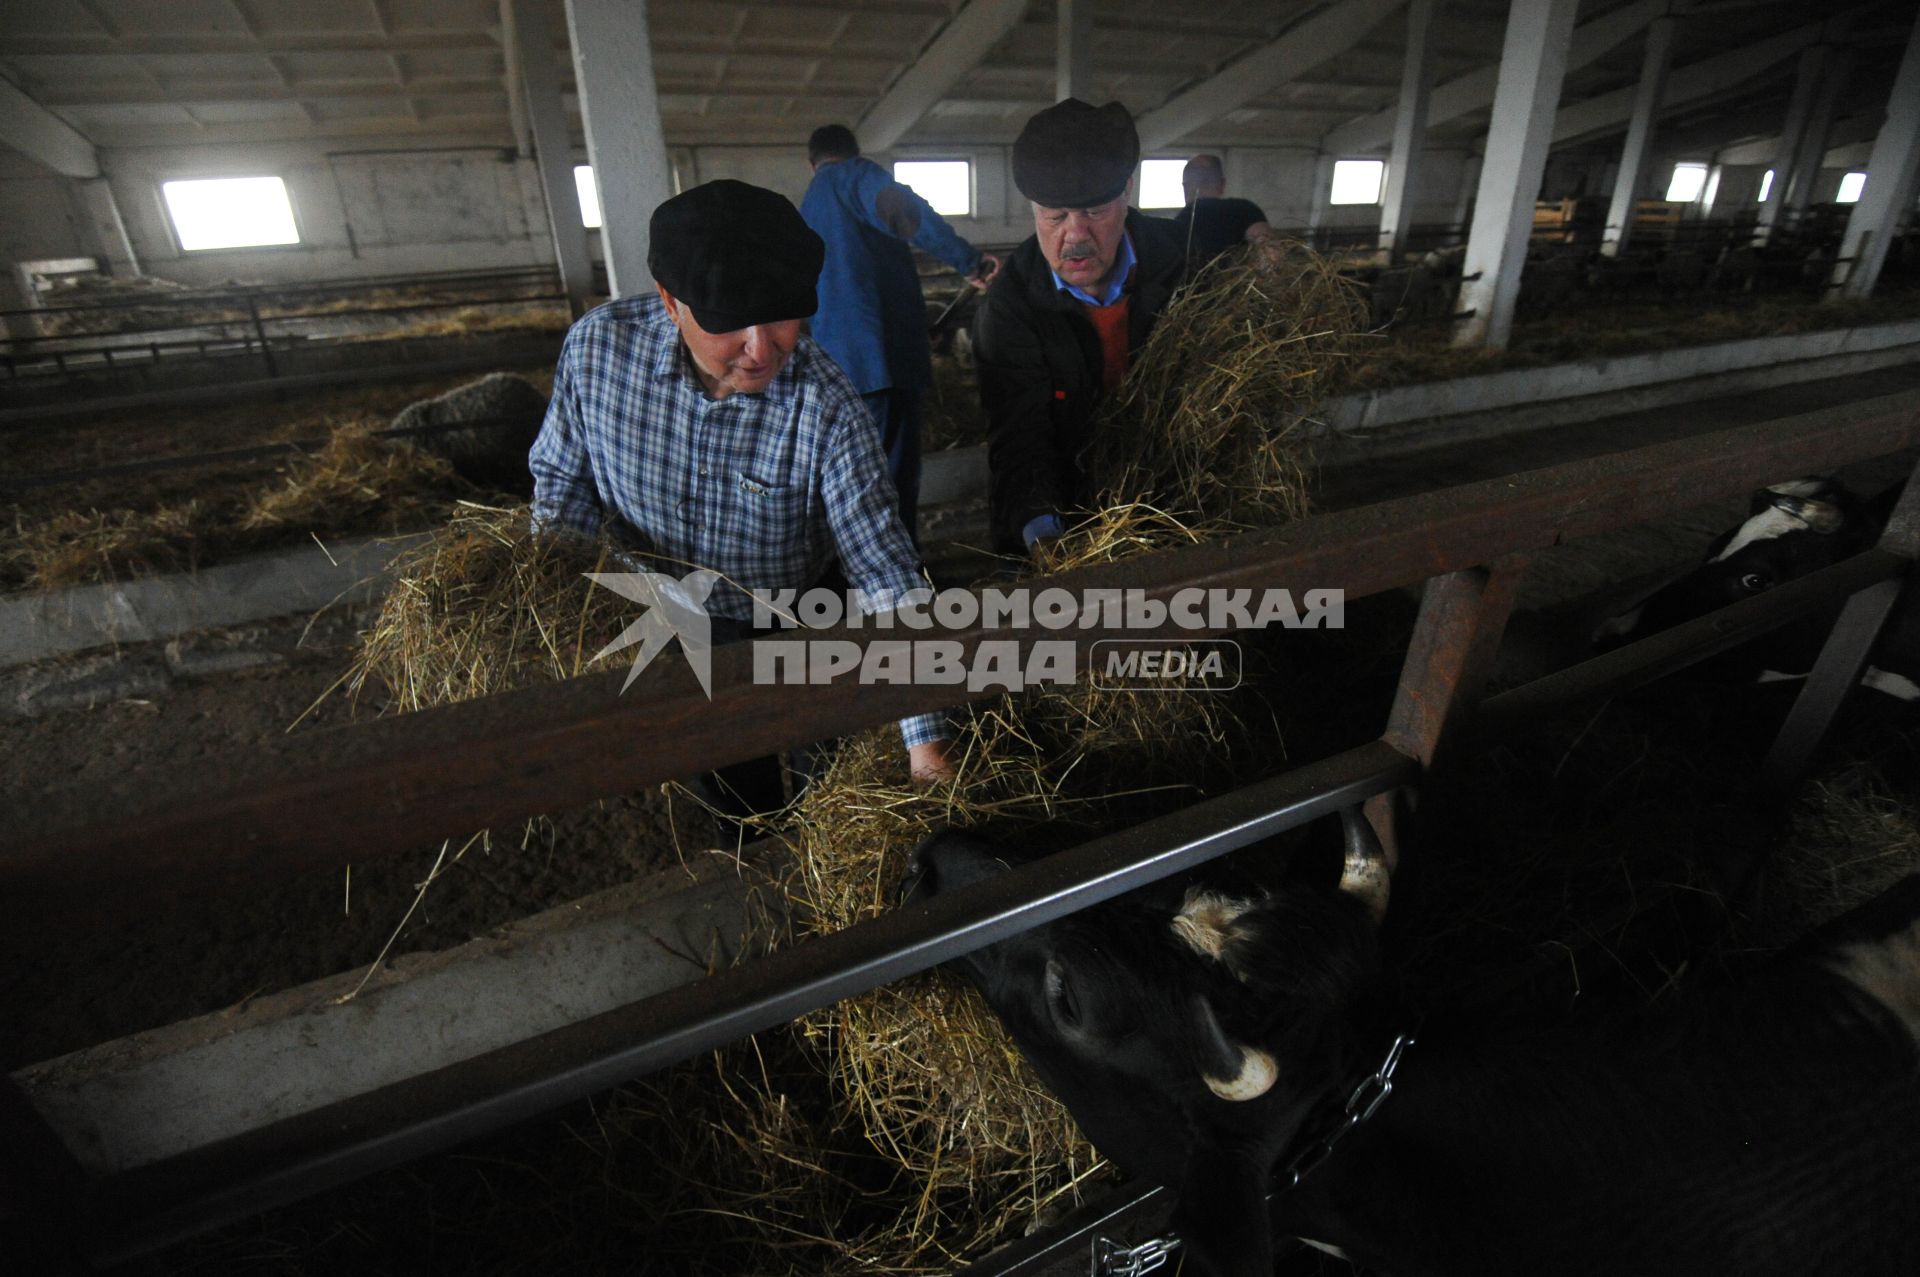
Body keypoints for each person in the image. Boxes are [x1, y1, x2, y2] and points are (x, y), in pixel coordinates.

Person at [529, 179, 953, 812]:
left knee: (829, 782)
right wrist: (571, 606)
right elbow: (563, 486)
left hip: (806, 618)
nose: (762, 349)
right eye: (731, 323)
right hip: (674, 620)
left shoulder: (826, 407)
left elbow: (883, 570)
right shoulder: (597, 355)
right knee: (729, 786)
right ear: (671, 302)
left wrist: (926, 742)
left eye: (782, 315)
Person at [973, 99, 1188, 556]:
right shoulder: (1010, 308)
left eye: (1095, 212)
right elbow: (1020, 434)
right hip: (1071, 512)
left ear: (1126, 192)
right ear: (1033, 209)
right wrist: (1045, 534)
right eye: (1054, 216)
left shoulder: (1183, 265)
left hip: (1177, 503)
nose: (1075, 236)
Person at [799, 124, 999, 539]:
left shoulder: (809, 205)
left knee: (855, 477)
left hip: (838, 367)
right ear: (853, 152)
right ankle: (898, 580)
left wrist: (916, 326)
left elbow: (847, 286)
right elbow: (905, 212)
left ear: (810, 163)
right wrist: (971, 262)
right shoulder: (854, 177)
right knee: (892, 478)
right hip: (881, 365)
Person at [1168, 154, 1278, 264]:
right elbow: (1272, 254)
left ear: (1185, 186)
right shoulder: (1245, 209)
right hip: (1239, 280)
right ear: (1222, 184)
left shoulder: (1179, 222)